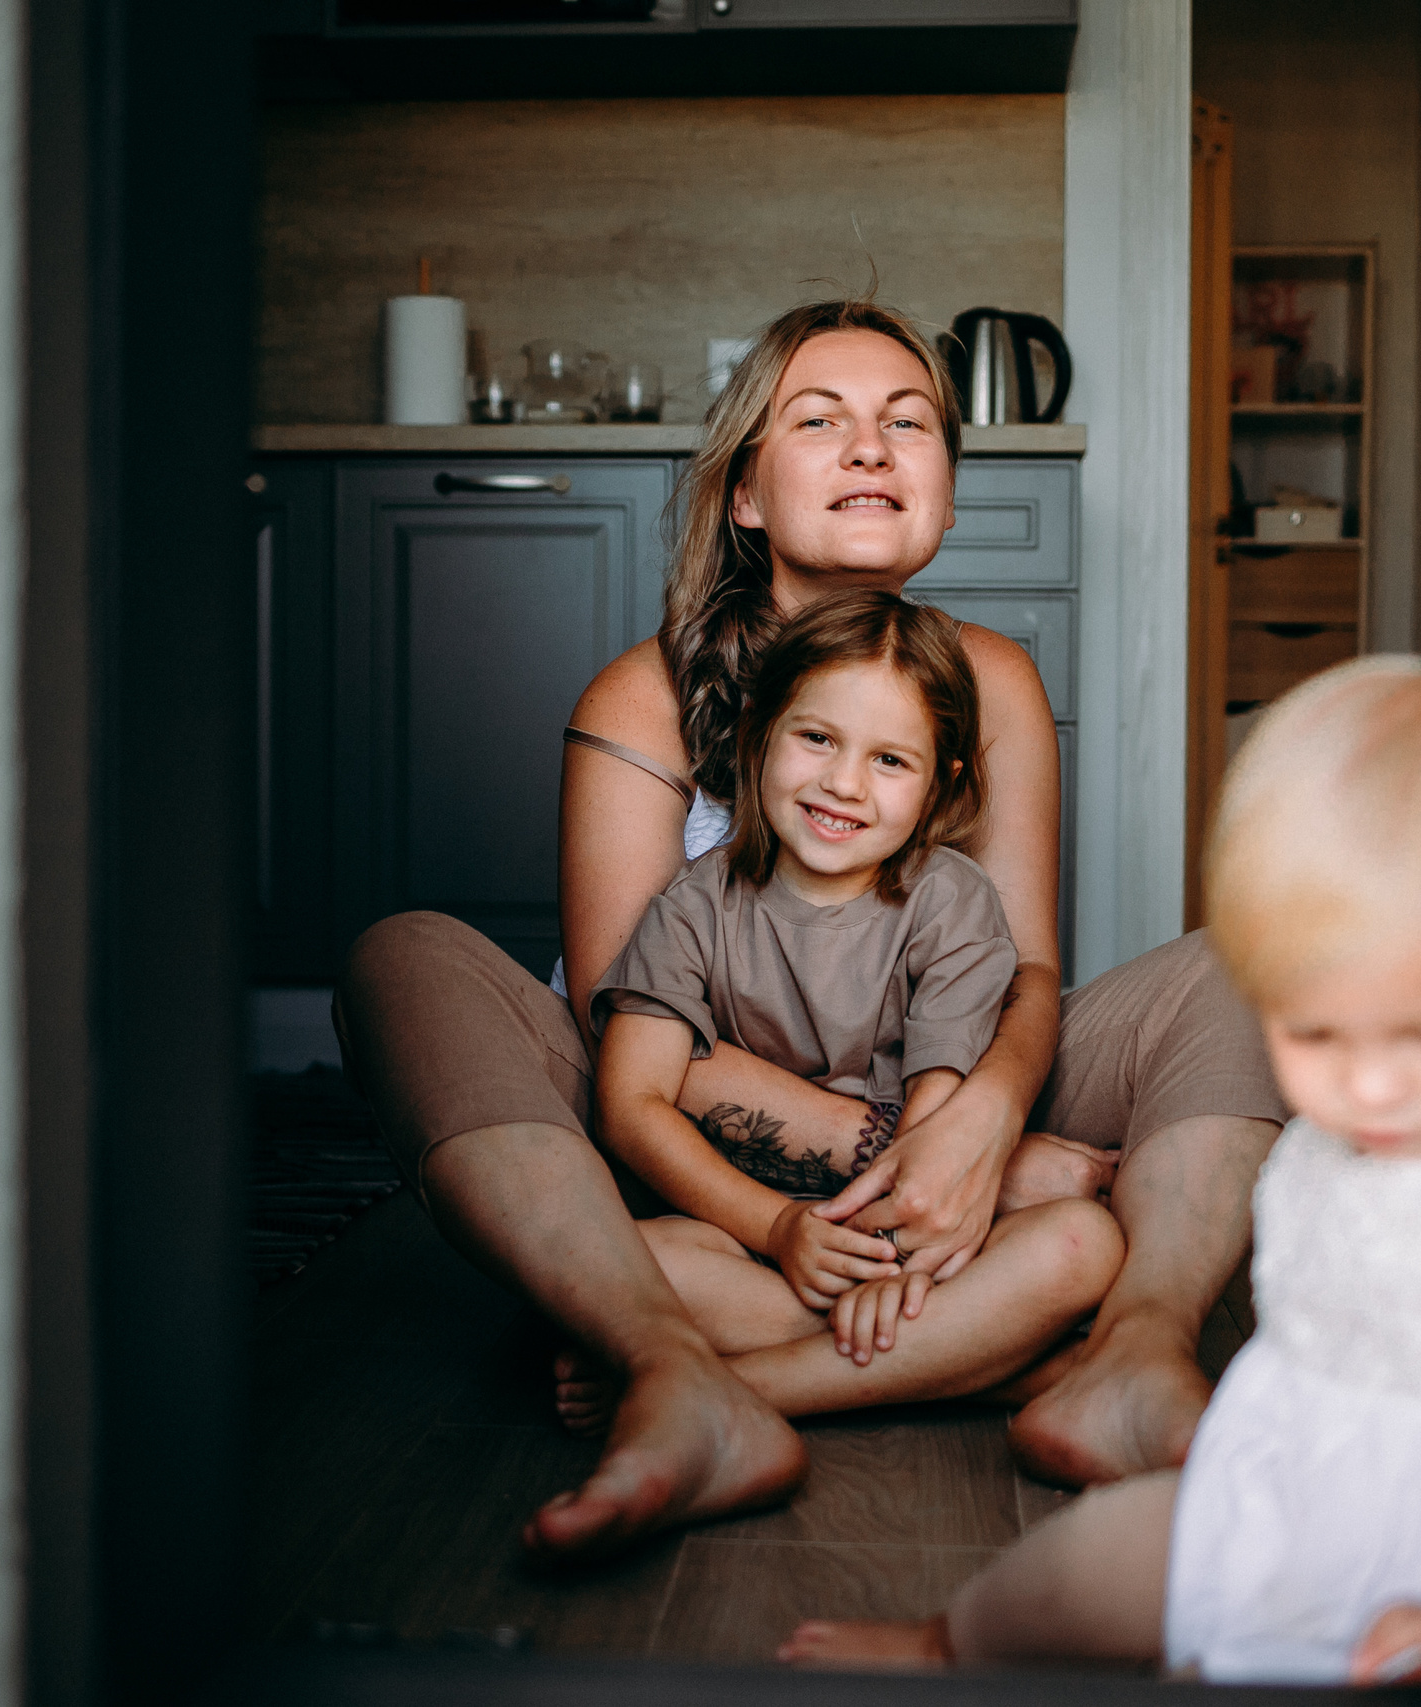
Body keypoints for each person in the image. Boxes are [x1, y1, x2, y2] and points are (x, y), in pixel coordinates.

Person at [337, 298, 1283, 1560]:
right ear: (742, 493)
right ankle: (714, 1359)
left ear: (946, 480)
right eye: (819, 421)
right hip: (697, 1146)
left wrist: (990, 1119)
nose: (872, 449)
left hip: (947, 1116)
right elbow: (619, 1028)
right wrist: (922, 1157)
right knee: (398, 960)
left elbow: (1030, 969)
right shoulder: (643, 695)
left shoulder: (993, 679)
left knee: (1250, 960)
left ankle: (1135, 1353)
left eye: (908, 424)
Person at [784, 659, 1421, 1701]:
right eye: (1312, 1031)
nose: (1370, 1083)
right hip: (1318, 1507)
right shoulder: (1327, 1134)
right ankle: (953, 1646)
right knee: (1087, 1566)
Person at [576, 590, 1120, 1427]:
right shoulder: (690, 907)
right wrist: (782, 1228)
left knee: (1081, 1247)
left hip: (916, 1226)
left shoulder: (953, 905)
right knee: (608, 1258)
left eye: (890, 761)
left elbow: (933, 1134)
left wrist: (902, 1265)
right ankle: (982, 1362)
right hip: (746, 1225)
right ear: (759, 731)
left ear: (945, 786)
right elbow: (631, 1104)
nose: (843, 783)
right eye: (818, 738)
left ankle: (717, 1390)